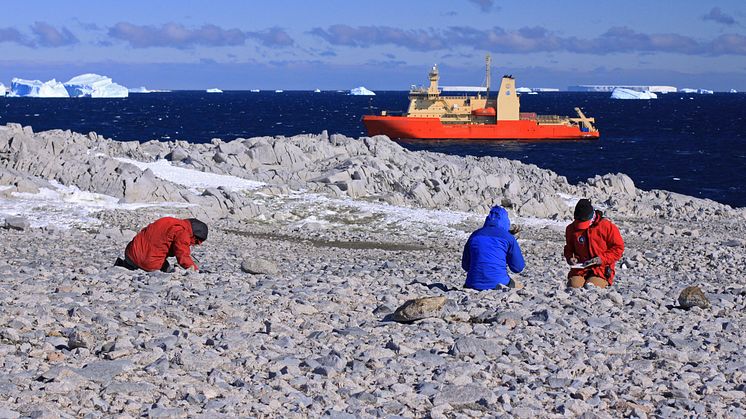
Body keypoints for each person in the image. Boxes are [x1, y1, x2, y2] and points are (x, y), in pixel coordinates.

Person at [564, 199, 624, 288]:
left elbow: (618, 248)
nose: (580, 226)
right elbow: (569, 248)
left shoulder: (607, 226)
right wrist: (571, 258)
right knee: (573, 286)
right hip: (580, 269)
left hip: (601, 269)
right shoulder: (571, 229)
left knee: (591, 287)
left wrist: (601, 259)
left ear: (592, 217)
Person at [462, 205, 525, 290]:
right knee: (516, 286)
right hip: (498, 283)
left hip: (472, 284)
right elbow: (518, 267)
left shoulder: (474, 235)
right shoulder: (508, 237)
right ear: (506, 221)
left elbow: (465, 266)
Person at [115, 217, 208, 272]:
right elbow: (183, 255)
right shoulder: (183, 233)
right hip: (149, 264)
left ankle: (125, 265)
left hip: (130, 254)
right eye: (196, 242)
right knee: (167, 268)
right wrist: (195, 270)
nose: (194, 244)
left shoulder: (169, 221)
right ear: (195, 235)